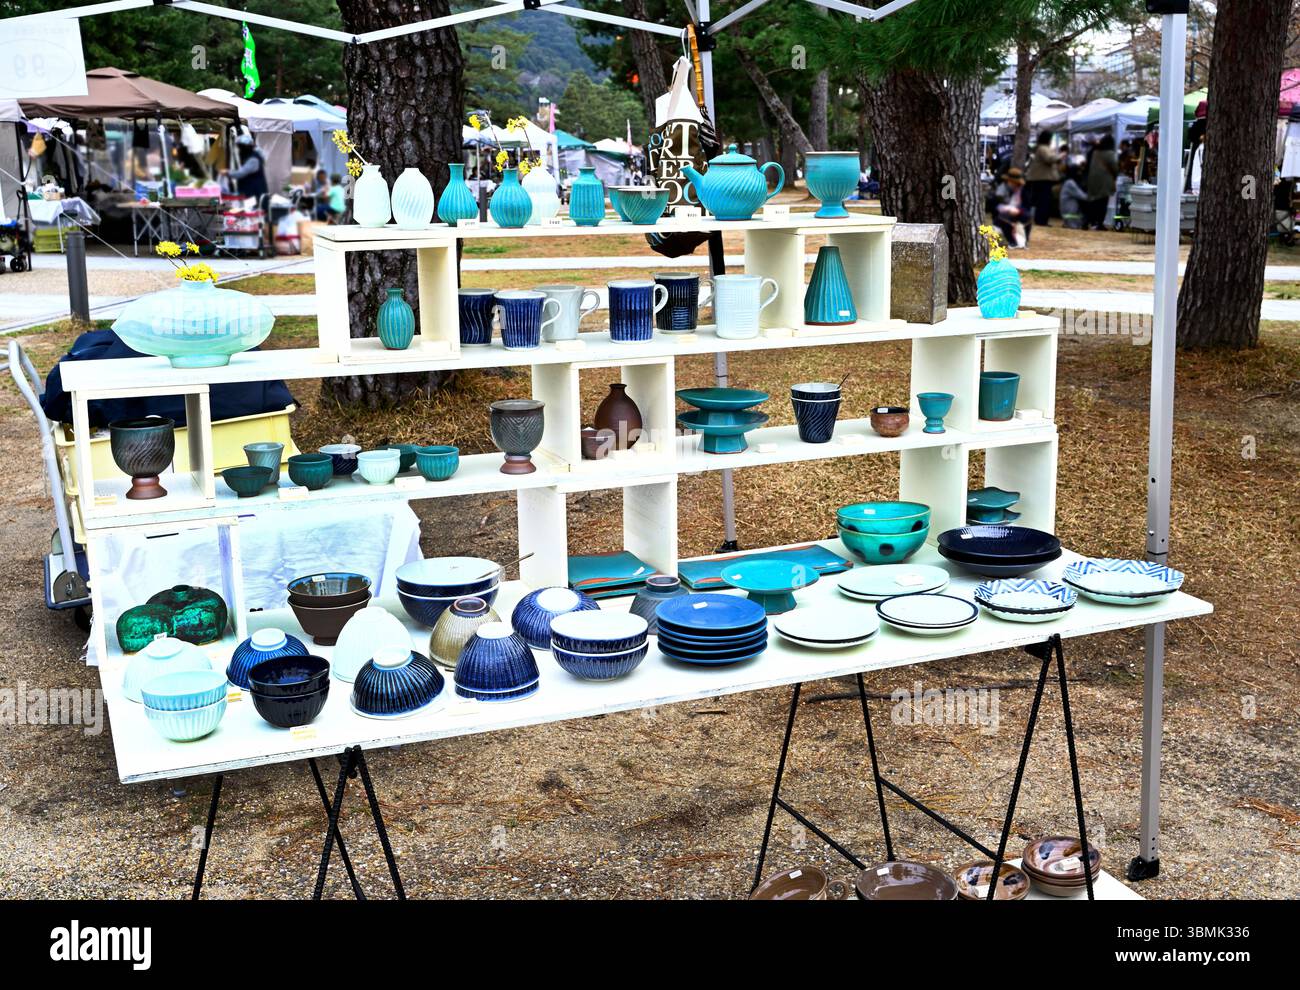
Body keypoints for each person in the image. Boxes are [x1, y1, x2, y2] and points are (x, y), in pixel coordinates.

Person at [1025, 131, 1062, 227]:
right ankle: (1041, 220)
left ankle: (1041, 219)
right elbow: (1049, 159)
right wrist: (1060, 156)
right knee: (1044, 200)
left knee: (1042, 200)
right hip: (1043, 178)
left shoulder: (1040, 148)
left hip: (1040, 178)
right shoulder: (1043, 148)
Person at [991, 166, 1032, 247]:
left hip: (1019, 213)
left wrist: (1019, 210)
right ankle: (1011, 241)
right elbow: (994, 207)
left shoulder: (1023, 190)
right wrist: (1007, 209)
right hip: (1002, 217)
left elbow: (1027, 206)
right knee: (1003, 218)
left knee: (1028, 217)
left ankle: (1025, 239)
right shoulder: (1001, 190)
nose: (1014, 184)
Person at [222, 133, 268, 203]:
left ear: (245, 147)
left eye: (240, 147)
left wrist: (227, 172)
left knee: (253, 212)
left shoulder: (253, 159)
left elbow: (240, 173)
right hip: (251, 192)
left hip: (255, 193)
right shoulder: (252, 156)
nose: (239, 149)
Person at [1085, 134, 1118, 230]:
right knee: (1103, 202)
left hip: (1092, 180)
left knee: (1093, 202)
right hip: (1105, 181)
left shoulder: (1095, 152)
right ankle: (1100, 223)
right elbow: (1114, 168)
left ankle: (1088, 221)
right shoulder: (1110, 153)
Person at [1058, 165, 1087, 229]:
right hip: (1071, 216)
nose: (1080, 174)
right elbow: (1083, 196)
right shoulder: (1070, 183)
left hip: (1068, 214)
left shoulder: (1068, 182)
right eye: (1079, 172)